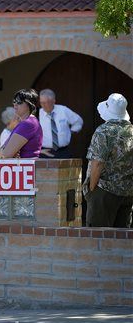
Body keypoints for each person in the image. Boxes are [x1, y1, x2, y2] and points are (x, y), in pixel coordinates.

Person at [84, 93, 133, 227]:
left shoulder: (104, 131)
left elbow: (98, 162)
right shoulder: (131, 131)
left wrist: (92, 188)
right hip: (128, 192)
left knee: (98, 237)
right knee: (122, 240)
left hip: (105, 191)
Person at [0, 89, 43, 159]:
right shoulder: (29, 121)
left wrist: (1, 151)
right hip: (25, 167)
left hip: (26, 167)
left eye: (19, 102)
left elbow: (4, 155)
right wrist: (3, 150)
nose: (15, 105)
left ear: (29, 104)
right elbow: (2, 153)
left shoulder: (27, 124)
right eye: (14, 102)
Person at [39, 89, 83, 158]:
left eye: (46, 102)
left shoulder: (63, 110)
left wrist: (72, 131)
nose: (43, 105)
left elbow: (78, 121)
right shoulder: (37, 114)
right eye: (42, 103)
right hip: (45, 152)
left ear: (53, 101)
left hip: (63, 151)